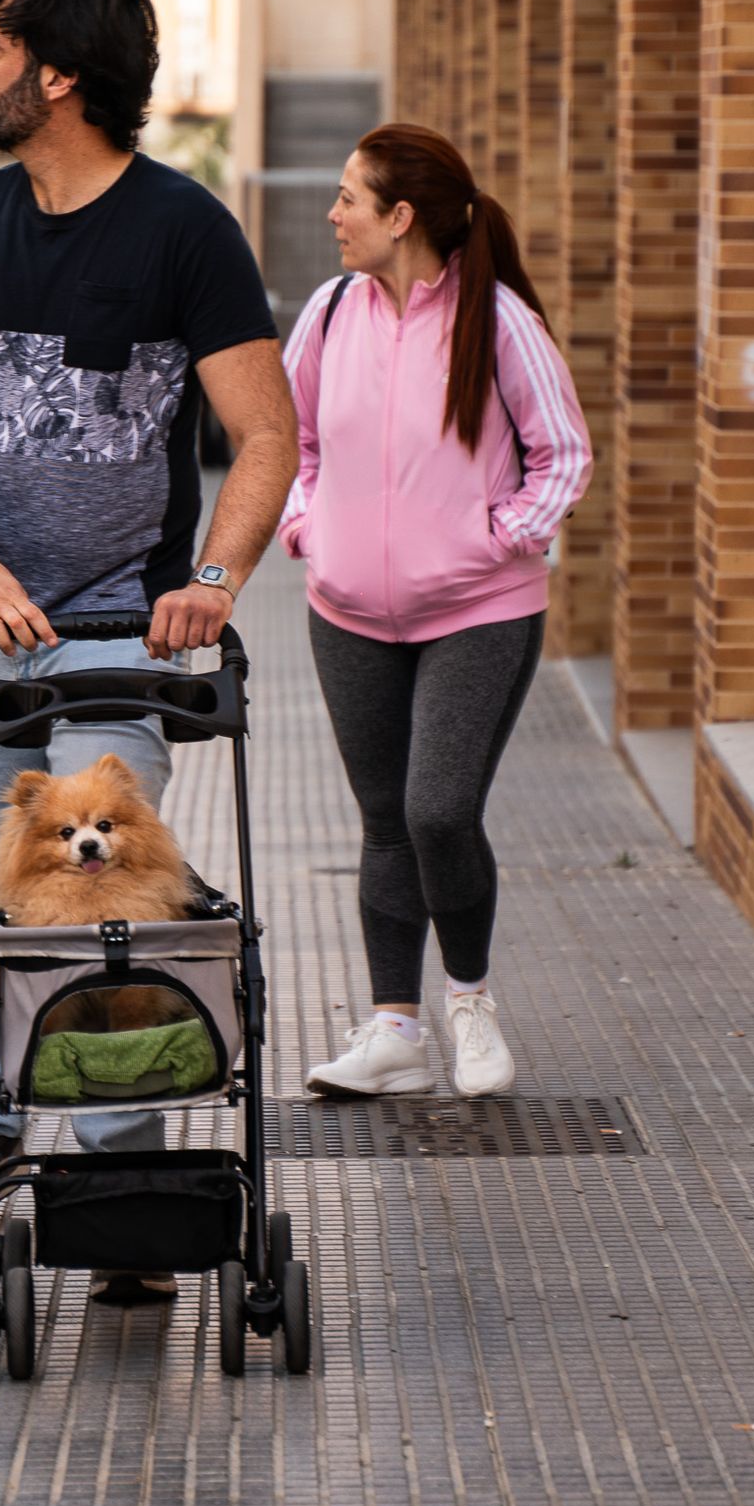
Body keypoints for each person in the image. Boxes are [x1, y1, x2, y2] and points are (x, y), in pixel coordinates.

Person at [0, 0, 297, 1298]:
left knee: (119, 900)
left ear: (58, 73)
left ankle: (129, 1172)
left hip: (126, 628)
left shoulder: (185, 231)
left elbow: (266, 436)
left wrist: (217, 583)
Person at [278, 124, 591, 1100]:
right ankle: (393, 1034)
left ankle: (469, 1007)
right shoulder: (328, 314)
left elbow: (564, 455)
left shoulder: (496, 321)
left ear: (400, 215)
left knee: (439, 811)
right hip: (347, 612)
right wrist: (306, 529)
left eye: (348, 199)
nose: (332, 216)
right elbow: (289, 443)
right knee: (384, 822)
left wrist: (496, 537)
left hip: (477, 610)